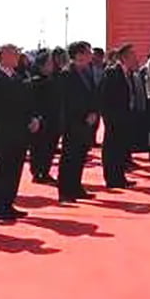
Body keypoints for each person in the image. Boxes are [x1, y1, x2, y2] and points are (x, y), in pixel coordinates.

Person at [0, 45, 40, 221]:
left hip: (19, 132)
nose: (17, 56)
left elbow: (26, 101)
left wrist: (32, 118)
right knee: (3, 170)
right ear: (2, 57)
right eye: (13, 54)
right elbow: (1, 109)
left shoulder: (16, 76)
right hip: (5, 133)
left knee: (14, 170)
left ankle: (8, 204)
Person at [57, 41, 99, 202]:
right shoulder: (67, 73)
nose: (90, 55)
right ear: (79, 54)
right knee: (69, 157)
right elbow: (66, 102)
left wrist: (93, 111)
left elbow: (92, 93)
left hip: (87, 122)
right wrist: (81, 117)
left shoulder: (87, 70)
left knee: (80, 156)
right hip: (72, 122)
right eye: (87, 52)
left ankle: (76, 187)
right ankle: (65, 191)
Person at [99, 44, 138, 188]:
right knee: (112, 148)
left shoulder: (128, 73)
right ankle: (112, 178)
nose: (135, 58)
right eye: (132, 55)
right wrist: (109, 116)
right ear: (124, 57)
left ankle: (120, 176)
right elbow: (104, 95)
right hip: (114, 117)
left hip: (125, 116)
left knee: (121, 147)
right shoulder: (112, 72)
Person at [29, 50, 61, 185]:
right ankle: (37, 172)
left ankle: (45, 171)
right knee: (38, 147)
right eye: (48, 63)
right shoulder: (35, 81)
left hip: (53, 119)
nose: (51, 66)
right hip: (40, 119)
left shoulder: (55, 79)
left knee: (50, 147)